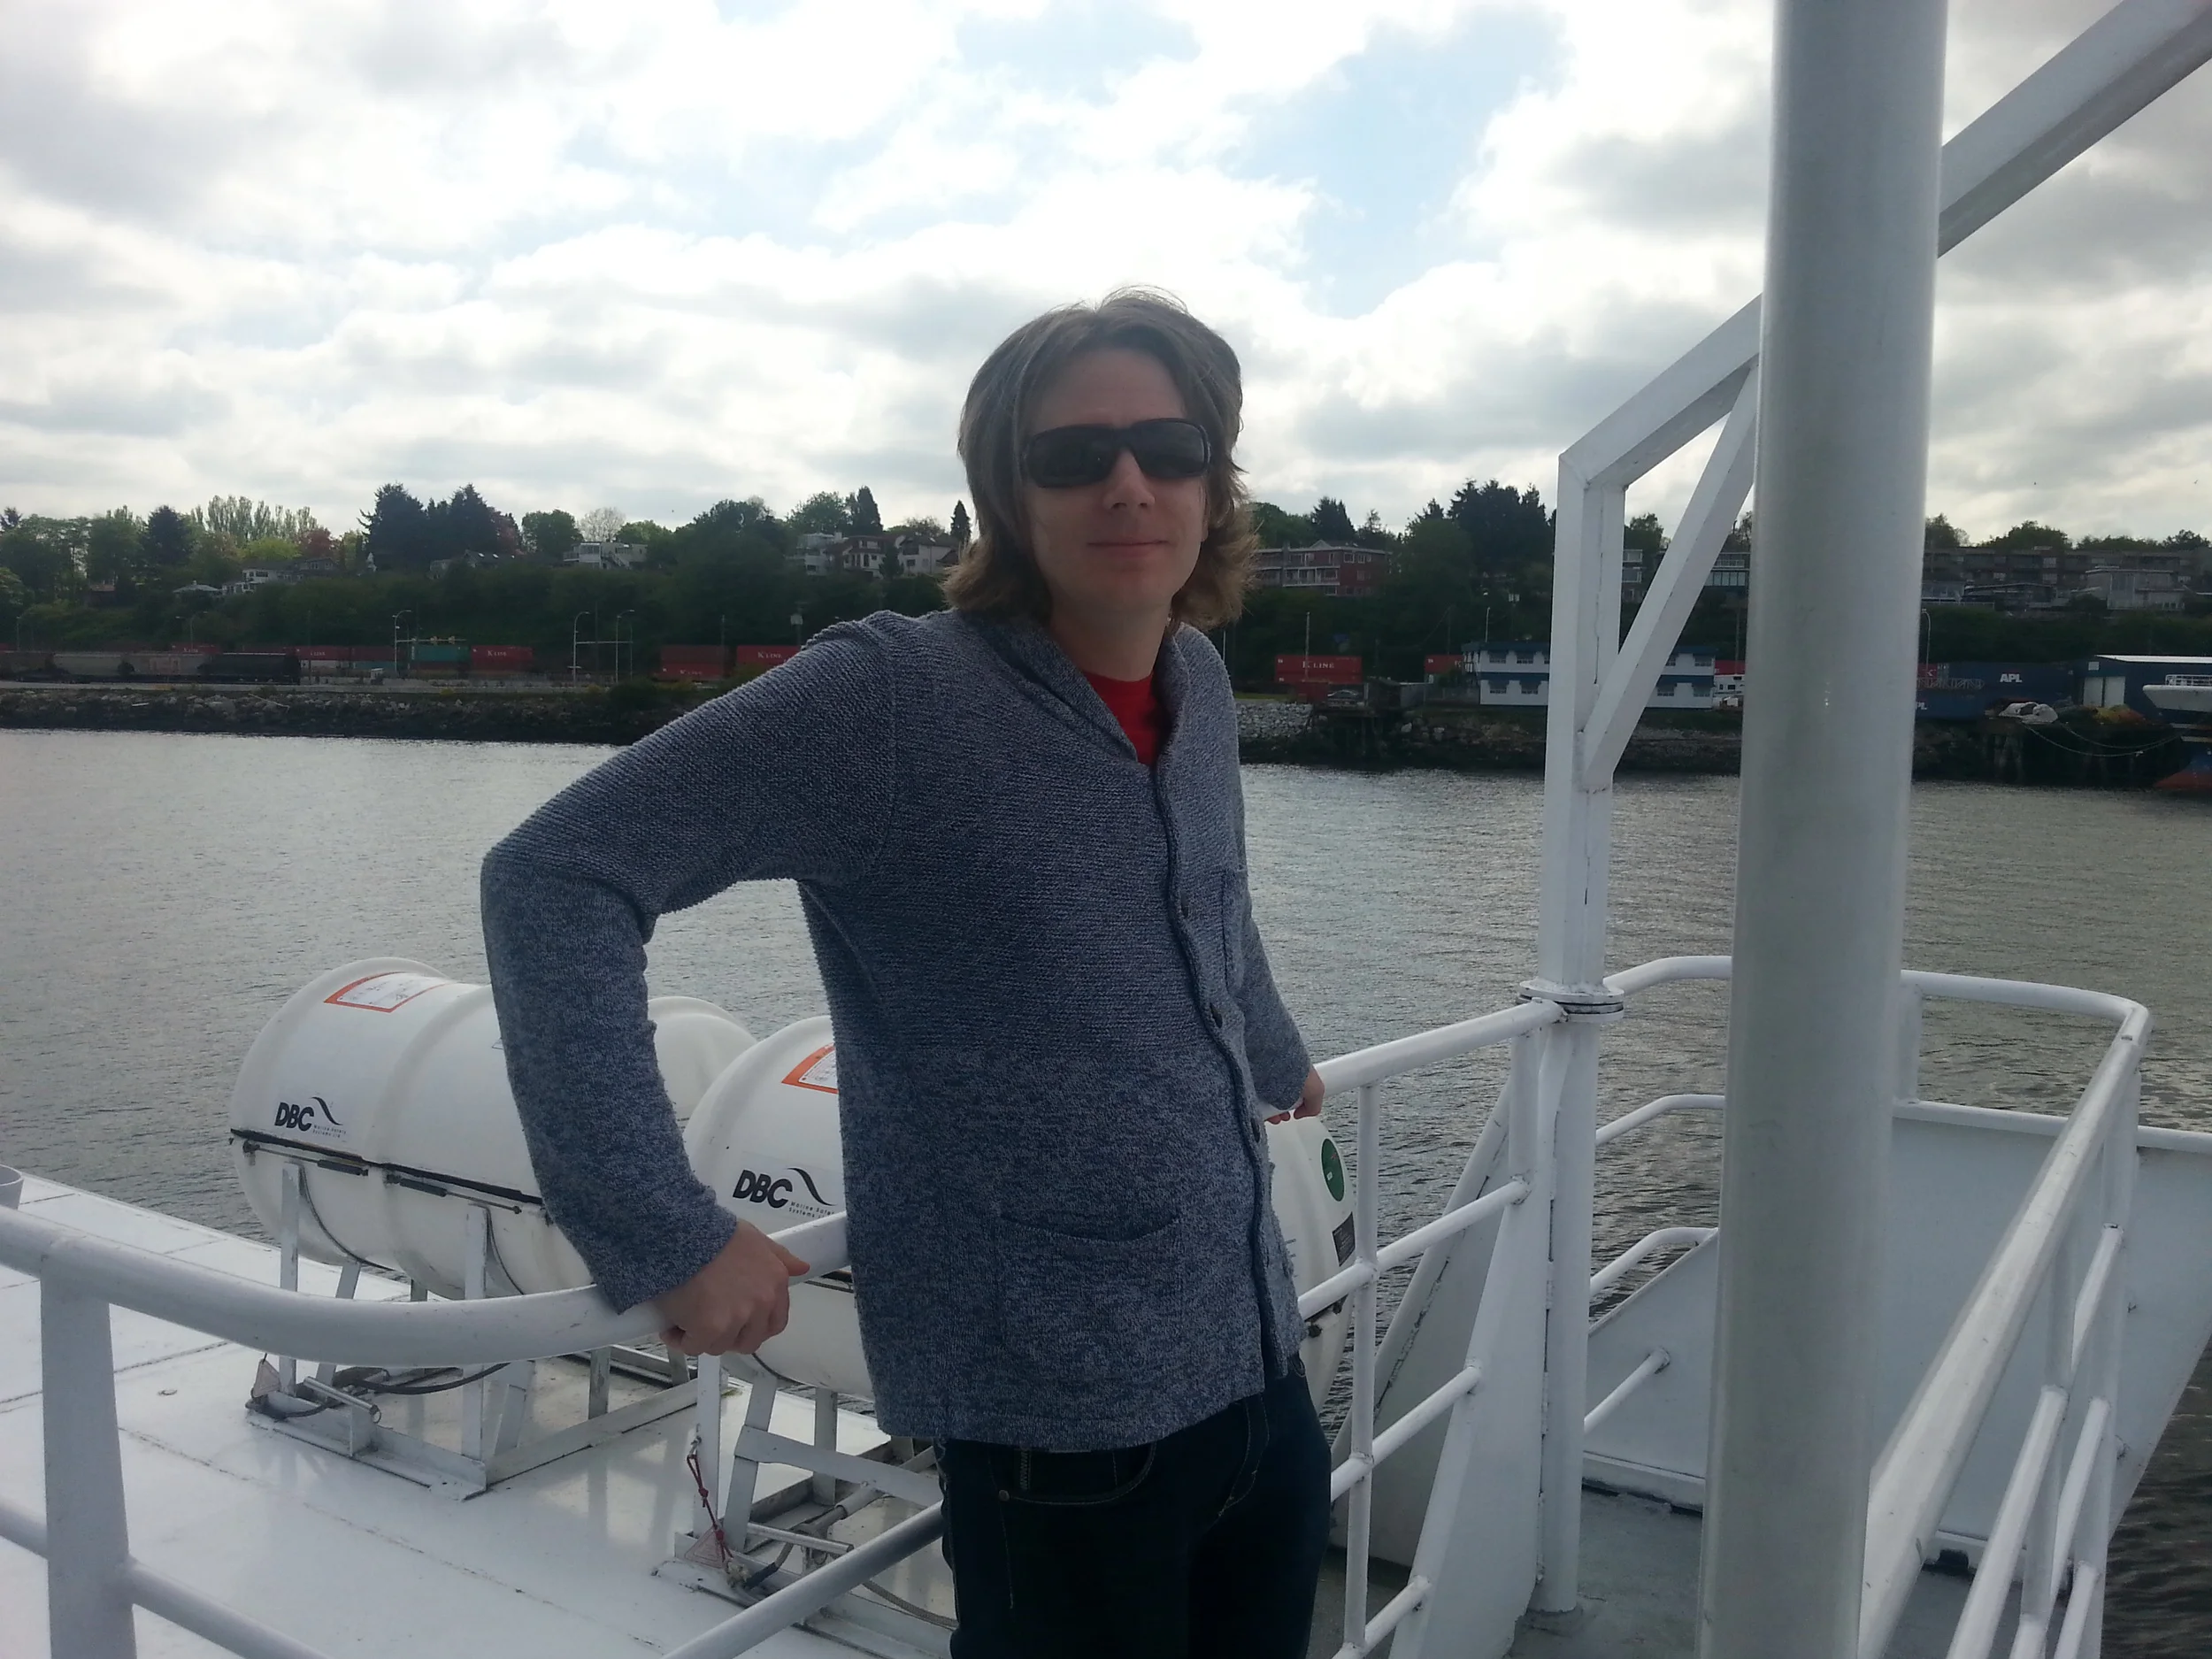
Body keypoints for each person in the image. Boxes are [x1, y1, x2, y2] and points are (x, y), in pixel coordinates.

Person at [480, 288, 1330, 1657]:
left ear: (1213, 479)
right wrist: (661, 1230)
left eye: (1169, 447)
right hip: (1063, 1433)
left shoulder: (1198, 680)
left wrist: (1277, 1053)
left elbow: (1211, 901)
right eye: (1074, 455)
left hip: (1257, 1375)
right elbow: (555, 876)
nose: (1128, 482)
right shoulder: (893, 703)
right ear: (1007, 494)